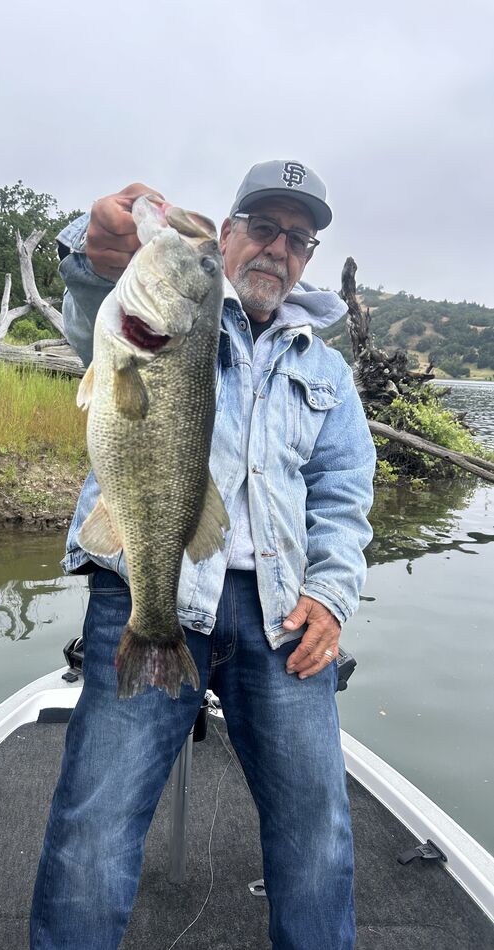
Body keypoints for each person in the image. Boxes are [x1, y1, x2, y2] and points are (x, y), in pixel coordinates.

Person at [30, 160, 376, 950]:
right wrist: (96, 254)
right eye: (261, 227)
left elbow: (343, 498)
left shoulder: (328, 373)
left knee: (318, 836)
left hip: (281, 616)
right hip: (152, 589)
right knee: (94, 831)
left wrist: (329, 595)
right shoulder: (168, 315)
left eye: (297, 238)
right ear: (224, 236)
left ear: (308, 258)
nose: (276, 248)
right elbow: (92, 311)